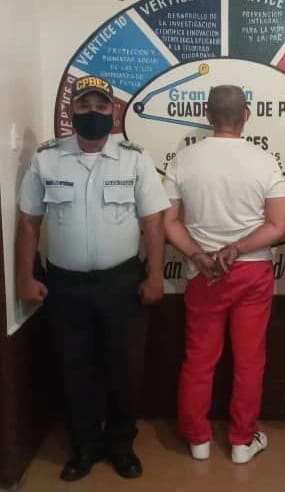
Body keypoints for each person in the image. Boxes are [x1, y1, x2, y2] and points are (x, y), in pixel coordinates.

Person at [16, 75, 170, 481]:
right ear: (71, 111)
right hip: (65, 286)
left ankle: (121, 446)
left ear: (113, 112)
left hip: (122, 284)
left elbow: (154, 223)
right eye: (84, 105)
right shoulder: (47, 158)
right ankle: (84, 448)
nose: (92, 113)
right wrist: (24, 278)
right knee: (75, 368)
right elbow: (29, 223)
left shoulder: (135, 158)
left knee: (125, 369)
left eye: (101, 106)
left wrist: (156, 275)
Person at [163, 85, 285, 464]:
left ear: (207, 115)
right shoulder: (264, 161)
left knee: (199, 360)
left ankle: (198, 440)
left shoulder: (183, 160)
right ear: (246, 116)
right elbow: (280, 224)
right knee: (250, 361)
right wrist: (236, 250)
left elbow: (168, 222)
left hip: (203, 274)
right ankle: (241, 442)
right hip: (251, 272)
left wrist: (198, 255)